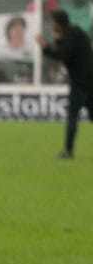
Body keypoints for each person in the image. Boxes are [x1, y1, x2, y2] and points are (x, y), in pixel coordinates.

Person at [37, 10, 93, 159]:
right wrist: (56, 40)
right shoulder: (75, 33)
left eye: (53, 23)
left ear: (59, 23)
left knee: (72, 118)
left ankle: (68, 152)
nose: (51, 26)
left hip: (81, 84)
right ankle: (68, 151)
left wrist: (44, 46)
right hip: (88, 82)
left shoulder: (72, 35)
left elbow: (61, 54)